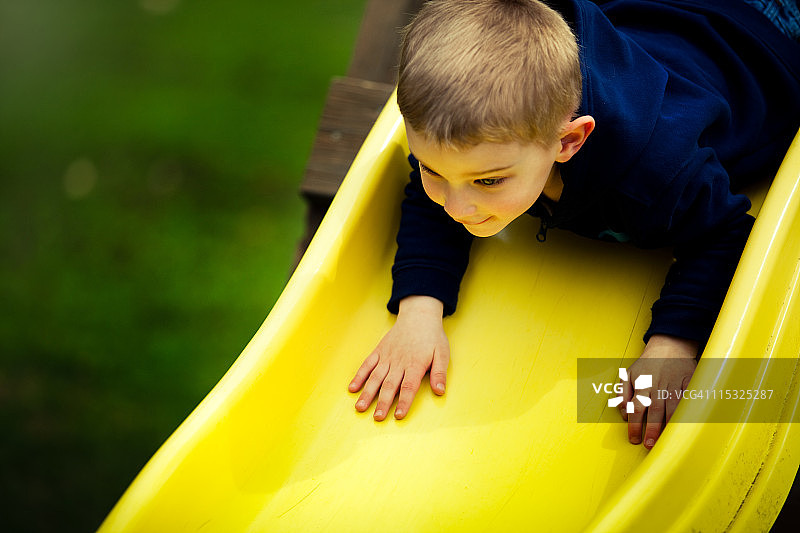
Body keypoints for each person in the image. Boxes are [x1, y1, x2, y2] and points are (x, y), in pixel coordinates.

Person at [347, 0, 800, 448]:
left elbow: (723, 233)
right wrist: (418, 313)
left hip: (759, 37)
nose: (457, 206)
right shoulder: (476, 142)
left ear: (569, 141)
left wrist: (673, 343)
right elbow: (431, 196)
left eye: (488, 180)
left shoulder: (653, 175)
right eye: (434, 171)